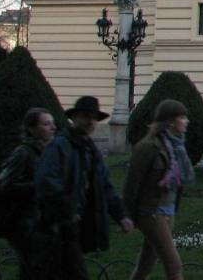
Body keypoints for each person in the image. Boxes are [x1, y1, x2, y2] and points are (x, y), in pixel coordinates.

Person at [35, 96, 133, 280]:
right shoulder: (60, 146)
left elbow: (105, 186)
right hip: (58, 226)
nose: (90, 121)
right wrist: (67, 210)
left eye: (94, 117)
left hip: (77, 225)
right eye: (85, 116)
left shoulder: (90, 150)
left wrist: (120, 215)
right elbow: (46, 181)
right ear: (75, 118)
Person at [123, 99, 194, 280]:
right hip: (151, 212)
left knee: (146, 265)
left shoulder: (177, 147)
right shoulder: (147, 147)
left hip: (168, 211)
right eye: (182, 118)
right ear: (170, 121)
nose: (186, 122)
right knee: (174, 265)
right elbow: (132, 184)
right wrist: (127, 216)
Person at [0, 107, 56, 279]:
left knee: (34, 269)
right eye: (46, 124)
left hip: (40, 221)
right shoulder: (23, 153)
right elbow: (4, 185)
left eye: (52, 124)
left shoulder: (46, 153)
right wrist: (36, 186)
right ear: (32, 128)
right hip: (22, 222)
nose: (52, 128)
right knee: (33, 267)